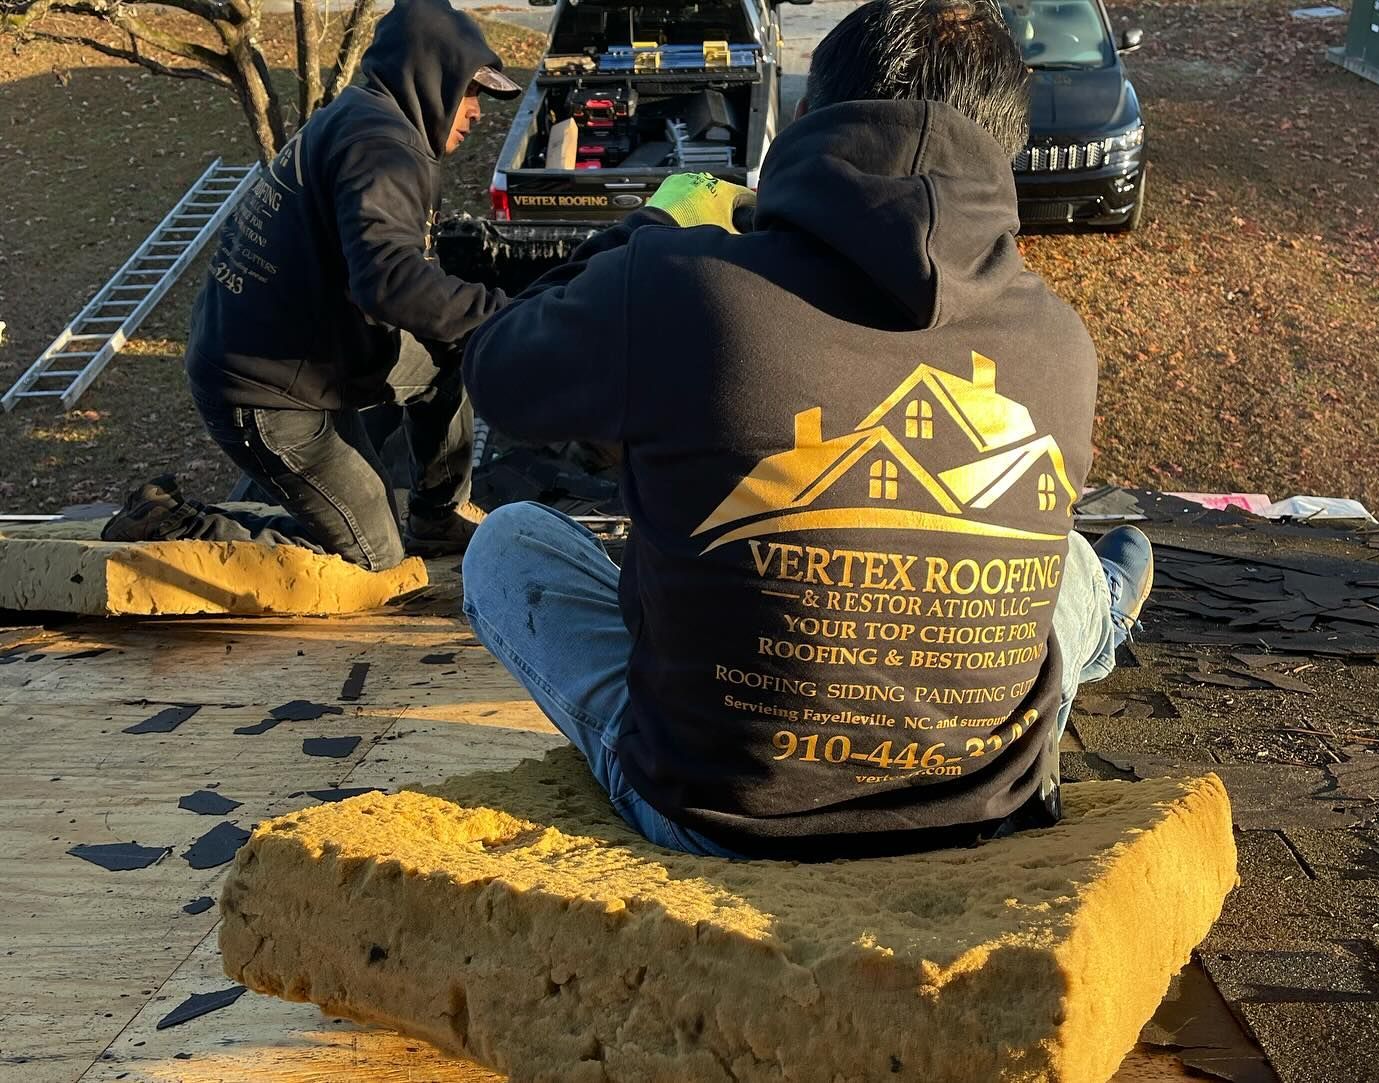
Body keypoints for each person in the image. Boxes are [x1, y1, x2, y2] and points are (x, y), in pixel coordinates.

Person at [460, 0, 1155, 859]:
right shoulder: (1063, 341)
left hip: (720, 814)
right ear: (1004, 146)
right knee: (1073, 564)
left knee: (507, 544)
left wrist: (659, 223)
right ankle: (1107, 615)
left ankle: (1096, 607)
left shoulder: (683, 285)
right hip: (985, 805)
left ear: (813, 115)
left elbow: (496, 370)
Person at [102, 0, 522, 569]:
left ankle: (437, 514)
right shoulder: (382, 147)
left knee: (449, 360)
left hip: (309, 350)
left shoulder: (365, 115)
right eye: (469, 92)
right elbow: (390, 282)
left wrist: (467, 333)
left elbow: (389, 275)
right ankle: (177, 524)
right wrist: (505, 318)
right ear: (429, 76)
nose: (477, 112)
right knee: (372, 560)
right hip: (266, 388)